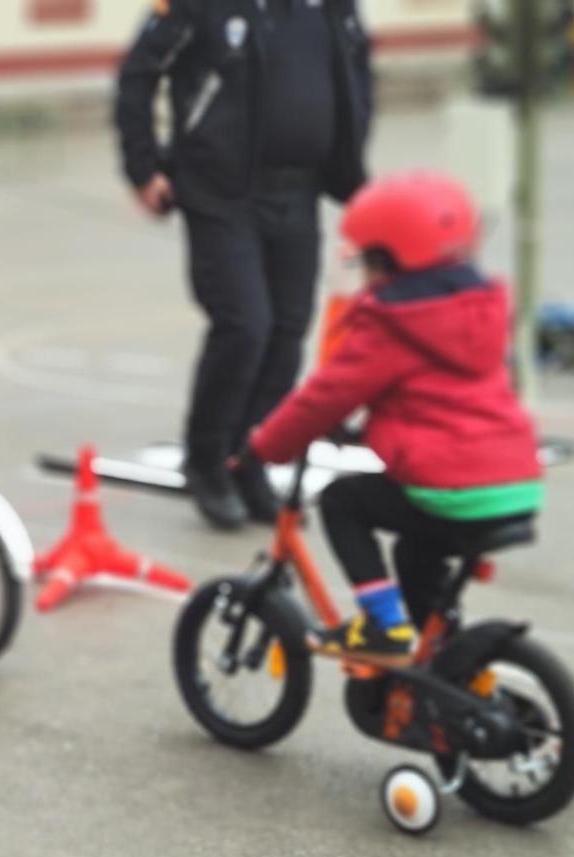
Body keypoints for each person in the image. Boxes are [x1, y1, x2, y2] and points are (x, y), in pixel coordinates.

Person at [245, 171, 541, 659]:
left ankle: (383, 627)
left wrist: (264, 446)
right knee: (415, 549)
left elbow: (326, 395)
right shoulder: (479, 308)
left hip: (453, 488)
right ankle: (442, 657)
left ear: (389, 258)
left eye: (369, 260)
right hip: (517, 482)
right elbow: (441, 402)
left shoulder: (390, 322)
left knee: (342, 501)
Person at [114, 0, 373, 529]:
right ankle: (208, 459)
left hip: (298, 190)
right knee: (244, 326)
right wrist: (143, 168)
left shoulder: (330, 8)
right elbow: (138, 75)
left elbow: (357, 74)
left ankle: (251, 459)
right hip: (220, 192)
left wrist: (350, 162)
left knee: (286, 332)